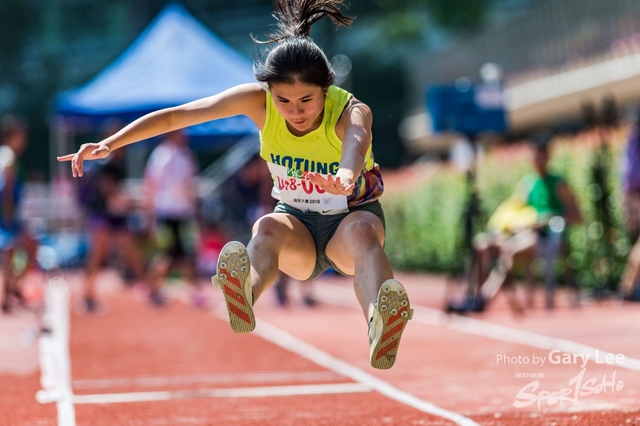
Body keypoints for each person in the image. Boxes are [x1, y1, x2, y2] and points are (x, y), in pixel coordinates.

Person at [58, 0, 413, 369]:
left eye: (306, 100)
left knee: (360, 234)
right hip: (298, 226)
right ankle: (244, 294)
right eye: (283, 100)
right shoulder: (257, 102)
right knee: (267, 227)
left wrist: (344, 178)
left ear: (326, 88)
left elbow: (356, 144)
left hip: (350, 218)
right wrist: (110, 143)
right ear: (269, 91)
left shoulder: (351, 111)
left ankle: (381, 322)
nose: (294, 111)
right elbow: (178, 117)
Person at [475, 140, 582, 310]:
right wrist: (504, 228)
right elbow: (513, 208)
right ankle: (478, 295)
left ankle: (485, 298)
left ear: (548, 156)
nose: (537, 160)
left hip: (547, 237)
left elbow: (578, 216)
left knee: (511, 250)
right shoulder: (528, 184)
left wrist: (547, 220)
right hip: (524, 233)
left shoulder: (558, 183)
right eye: (534, 156)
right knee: (481, 245)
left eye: (540, 155)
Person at [77, 124, 146, 313]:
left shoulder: (117, 164)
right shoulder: (104, 165)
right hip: (102, 215)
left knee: (129, 251)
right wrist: (128, 201)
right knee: (98, 255)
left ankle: (146, 287)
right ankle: (87, 295)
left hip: (115, 215)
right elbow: (107, 190)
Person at [143, 129, 202, 307]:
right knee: (167, 255)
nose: (184, 135)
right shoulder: (161, 155)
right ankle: (151, 286)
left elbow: (190, 185)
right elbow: (151, 184)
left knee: (185, 253)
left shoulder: (186, 155)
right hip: (166, 211)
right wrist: (150, 213)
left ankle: (194, 291)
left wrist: (194, 209)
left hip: (183, 212)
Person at [0, 114, 38, 314]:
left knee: (24, 247)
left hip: (9, 213)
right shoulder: (8, 157)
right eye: (21, 136)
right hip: (6, 214)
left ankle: (13, 288)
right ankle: (8, 293)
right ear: (12, 136)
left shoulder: (6, 155)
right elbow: (6, 186)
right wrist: (8, 215)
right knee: (12, 250)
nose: (24, 141)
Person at [619, 112, 640, 301]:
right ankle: (628, 286)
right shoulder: (635, 140)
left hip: (632, 195)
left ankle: (628, 285)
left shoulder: (631, 141)